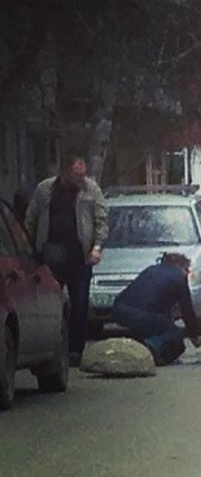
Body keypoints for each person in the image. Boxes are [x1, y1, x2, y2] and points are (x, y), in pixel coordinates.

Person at [25, 153, 108, 367]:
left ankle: (75, 350)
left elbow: (101, 220)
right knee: (50, 304)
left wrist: (97, 248)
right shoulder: (46, 189)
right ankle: (50, 347)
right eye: (76, 174)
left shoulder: (91, 190)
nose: (81, 178)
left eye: (83, 173)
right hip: (50, 255)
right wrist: (29, 249)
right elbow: (32, 218)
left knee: (79, 303)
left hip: (80, 256)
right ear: (64, 172)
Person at [111, 253, 201, 366]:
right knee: (173, 333)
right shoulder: (179, 278)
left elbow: (153, 301)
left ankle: (139, 346)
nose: (188, 273)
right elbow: (188, 313)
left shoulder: (153, 269)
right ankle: (151, 347)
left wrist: (199, 336)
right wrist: (196, 335)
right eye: (187, 269)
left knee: (160, 325)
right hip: (139, 314)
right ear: (182, 266)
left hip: (119, 308)